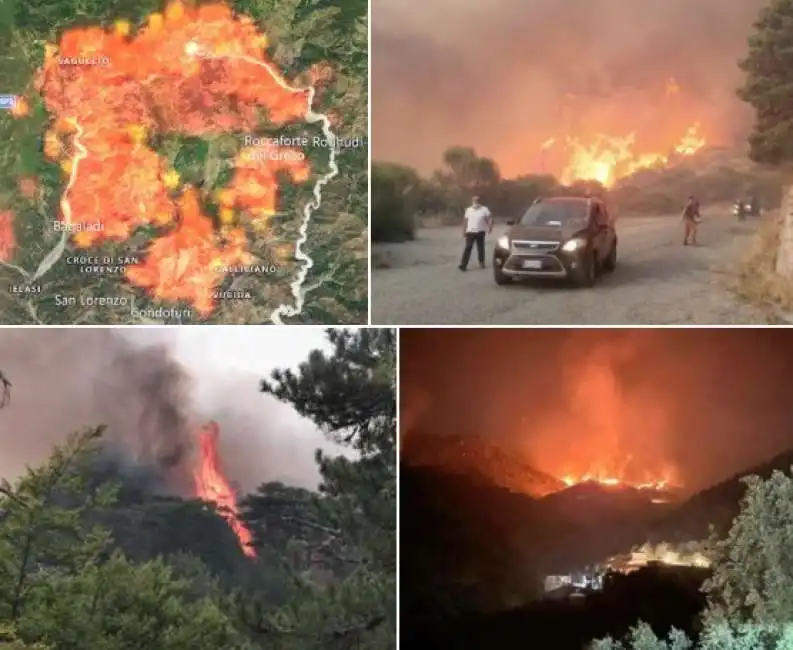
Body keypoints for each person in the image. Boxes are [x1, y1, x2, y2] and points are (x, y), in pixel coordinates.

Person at [459, 196, 493, 271]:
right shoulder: (468, 210)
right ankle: (463, 265)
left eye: (477, 200)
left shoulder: (484, 209)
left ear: (479, 201)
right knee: (468, 247)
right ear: (472, 201)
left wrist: (489, 227)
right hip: (470, 232)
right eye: (474, 200)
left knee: (480, 247)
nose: (475, 202)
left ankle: (481, 262)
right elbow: (465, 221)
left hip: (480, 231)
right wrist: (463, 231)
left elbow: (489, 219)